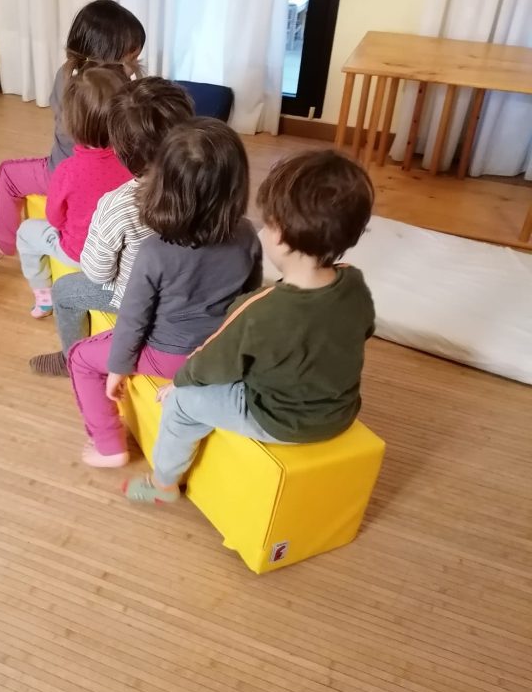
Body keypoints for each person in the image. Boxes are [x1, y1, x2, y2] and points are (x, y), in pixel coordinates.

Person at [123, 148, 376, 503]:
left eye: (268, 223)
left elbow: (211, 363)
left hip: (275, 418)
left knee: (181, 404)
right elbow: (361, 331)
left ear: (281, 236)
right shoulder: (354, 283)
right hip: (340, 412)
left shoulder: (259, 308)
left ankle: (164, 484)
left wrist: (180, 383)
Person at [67, 118, 262, 467]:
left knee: (81, 357)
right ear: (236, 186)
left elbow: (133, 317)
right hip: (220, 352)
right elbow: (250, 300)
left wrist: (118, 368)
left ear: (163, 186)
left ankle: (109, 445)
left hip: (166, 356)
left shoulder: (155, 251)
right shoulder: (247, 234)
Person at [29, 77, 195, 376]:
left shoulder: (117, 204)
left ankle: (70, 358)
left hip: (140, 297)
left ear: (120, 147)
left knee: (64, 292)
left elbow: (98, 271)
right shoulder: (205, 182)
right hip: (192, 287)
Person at [0, 0, 145, 255]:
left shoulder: (66, 76)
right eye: (131, 60)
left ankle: (4, 241)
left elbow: (62, 125)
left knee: (8, 174)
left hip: (66, 172)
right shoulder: (125, 86)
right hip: (119, 175)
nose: (133, 66)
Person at [15, 63, 132, 317]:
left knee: (25, 232)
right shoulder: (134, 163)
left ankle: (43, 295)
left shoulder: (67, 170)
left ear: (71, 124)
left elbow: (55, 219)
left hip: (78, 253)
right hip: (123, 254)